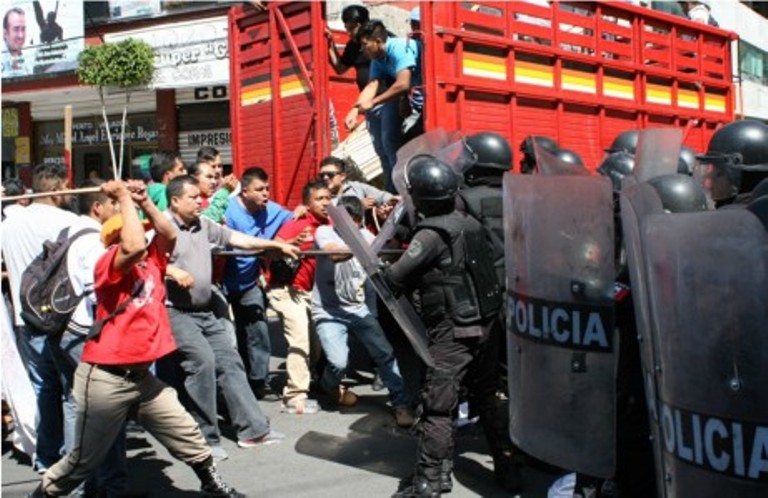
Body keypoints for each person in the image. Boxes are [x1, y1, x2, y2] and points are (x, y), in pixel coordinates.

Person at [31, 179, 244, 498]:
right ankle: (42, 494)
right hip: (105, 379)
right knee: (82, 463)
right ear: (116, 239)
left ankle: (211, 483)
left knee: (187, 433)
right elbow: (131, 247)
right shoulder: (108, 267)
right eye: (138, 231)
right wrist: (122, 200)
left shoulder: (153, 264)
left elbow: (169, 233)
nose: (146, 236)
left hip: (142, 379)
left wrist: (144, 201)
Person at [383, 155, 520, 497]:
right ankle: (507, 467)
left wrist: (380, 269)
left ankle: (430, 481)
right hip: (485, 325)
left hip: (453, 330)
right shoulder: (468, 222)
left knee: (437, 407)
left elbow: (396, 278)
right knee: (487, 396)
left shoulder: (431, 234)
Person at [163, 175, 297, 457]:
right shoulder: (163, 228)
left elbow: (238, 239)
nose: (200, 201)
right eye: (193, 197)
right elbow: (143, 262)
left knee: (230, 362)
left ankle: (253, 431)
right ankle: (205, 440)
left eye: (200, 196)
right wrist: (171, 271)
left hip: (204, 310)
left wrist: (274, 246)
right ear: (175, 201)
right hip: (175, 312)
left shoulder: (203, 224)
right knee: (202, 364)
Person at [2, 164, 79, 473]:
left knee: (43, 387)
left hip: (26, 318)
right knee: (72, 392)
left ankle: (47, 456)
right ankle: (72, 462)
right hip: (63, 319)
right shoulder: (69, 222)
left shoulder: (10, 223)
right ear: (59, 189)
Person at [53, 180, 128, 497]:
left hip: (61, 330)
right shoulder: (92, 241)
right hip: (85, 334)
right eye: (114, 204)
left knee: (75, 406)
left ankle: (77, 485)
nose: (118, 212)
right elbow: (98, 293)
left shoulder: (67, 232)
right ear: (98, 207)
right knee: (109, 412)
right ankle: (109, 486)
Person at [312, 196, 413, 425]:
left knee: (384, 355)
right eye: (347, 222)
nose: (352, 227)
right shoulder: (324, 233)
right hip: (328, 312)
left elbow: (390, 252)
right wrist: (367, 248)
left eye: (355, 222)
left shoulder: (367, 237)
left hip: (359, 310)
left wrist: (392, 227)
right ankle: (326, 385)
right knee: (338, 362)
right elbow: (335, 254)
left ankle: (401, 403)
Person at [223, 167, 294, 397]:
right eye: (259, 189)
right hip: (221, 282)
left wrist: (302, 212)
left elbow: (294, 218)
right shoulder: (229, 209)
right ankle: (229, 384)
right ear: (244, 191)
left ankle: (258, 380)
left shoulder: (271, 210)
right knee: (227, 337)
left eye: (267, 188)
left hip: (249, 283)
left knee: (258, 331)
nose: (266, 193)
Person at [266, 179, 331, 413]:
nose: (325, 203)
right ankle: (295, 395)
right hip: (286, 291)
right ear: (306, 203)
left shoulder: (331, 224)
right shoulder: (297, 223)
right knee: (300, 339)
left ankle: (309, 379)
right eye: (319, 199)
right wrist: (292, 243)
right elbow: (272, 249)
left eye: (328, 198)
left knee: (315, 344)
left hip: (311, 293)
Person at [326, 5, 401, 192]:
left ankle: (399, 187)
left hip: (387, 100)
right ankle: (391, 188)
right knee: (380, 149)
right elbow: (341, 68)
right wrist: (330, 46)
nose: (349, 32)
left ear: (360, 24)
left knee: (390, 144)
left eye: (351, 28)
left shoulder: (383, 40)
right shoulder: (354, 45)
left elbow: (377, 81)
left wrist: (356, 108)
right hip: (369, 105)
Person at [345, 20, 423, 191]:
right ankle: (393, 188)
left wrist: (372, 102)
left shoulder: (399, 48)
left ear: (378, 42)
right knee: (385, 144)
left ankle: (407, 186)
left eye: (365, 45)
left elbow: (403, 84)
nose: (362, 50)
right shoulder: (377, 58)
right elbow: (372, 85)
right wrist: (355, 110)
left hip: (426, 100)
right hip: (412, 99)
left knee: (403, 141)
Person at [318, 156, 397, 209]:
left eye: (330, 175)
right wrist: (359, 206)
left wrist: (392, 200)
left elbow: (381, 196)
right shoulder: (321, 196)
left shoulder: (356, 186)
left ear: (342, 176)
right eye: (322, 175)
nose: (325, 178)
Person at [2, 6, 31, 76]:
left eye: (23, 29)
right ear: (5, 33)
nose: (21, 35)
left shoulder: (28, 60)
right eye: (16, 29)